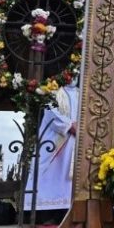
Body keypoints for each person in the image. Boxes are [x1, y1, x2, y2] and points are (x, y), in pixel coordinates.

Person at [35, 82, 79, 214]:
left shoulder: (83, 92)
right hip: (56, 138)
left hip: (78, 139)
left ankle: (71, 209)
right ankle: (47, 211)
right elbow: (50, 112)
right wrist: (69, 125)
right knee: (52, 171)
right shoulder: (53, 92)